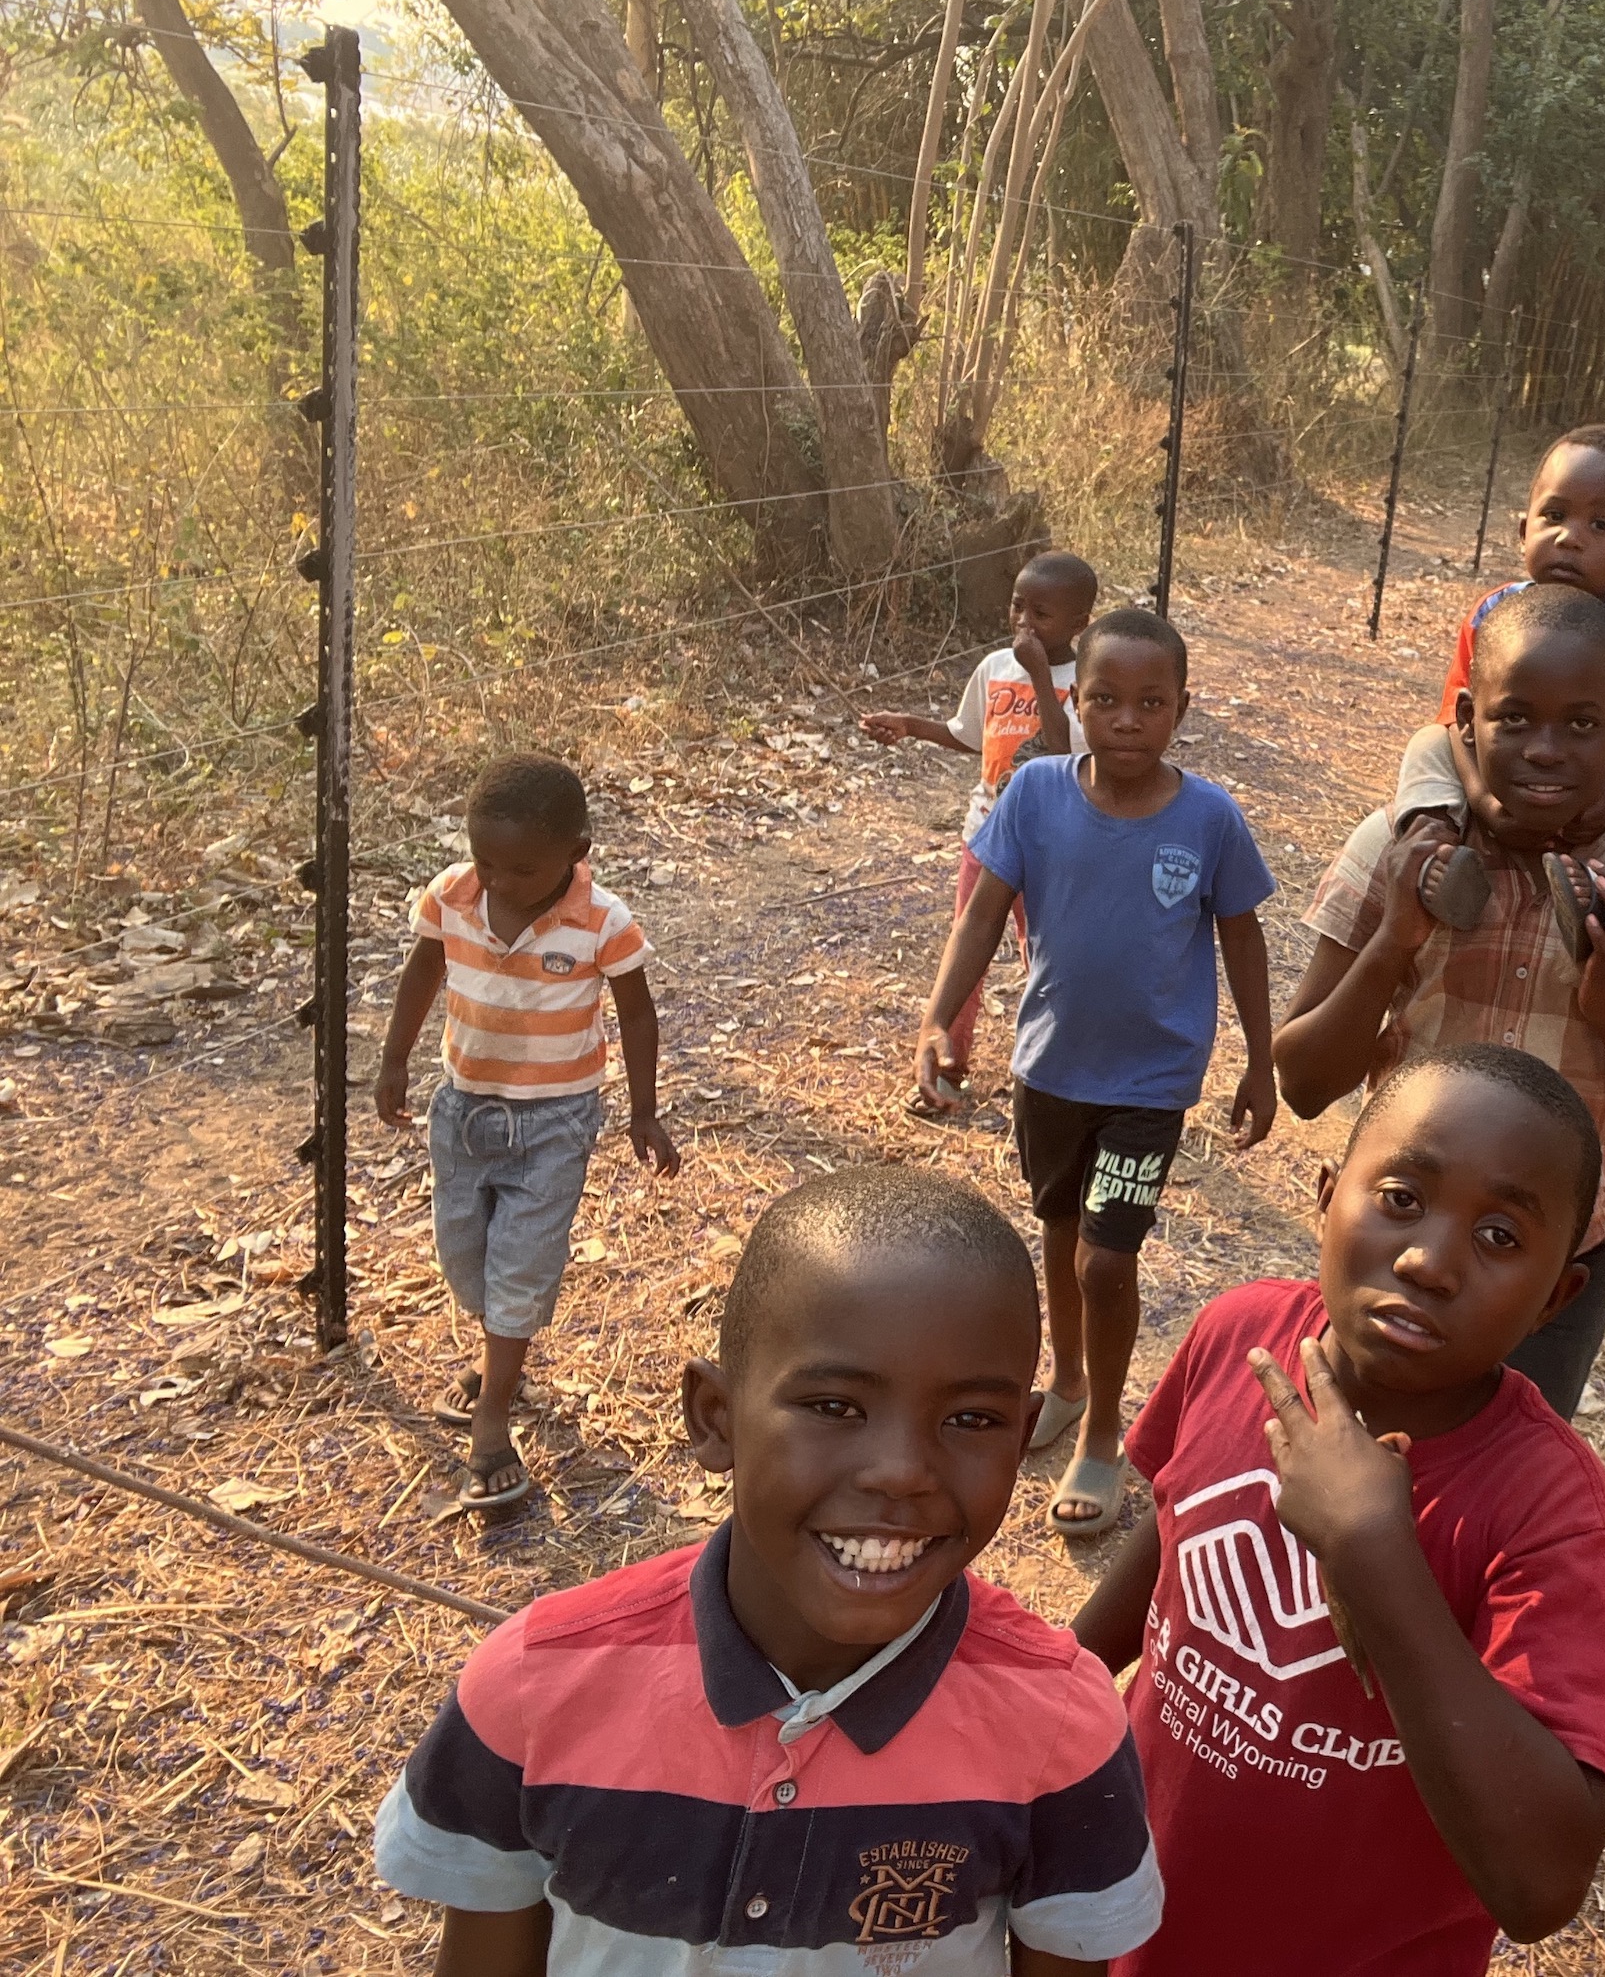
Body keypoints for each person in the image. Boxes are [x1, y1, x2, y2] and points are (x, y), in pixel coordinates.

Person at [372, 1165, 1164, 1974]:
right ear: (716, 1419)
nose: (901, 1471)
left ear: (1024, 1434)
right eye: (834, 1407)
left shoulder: (1060, 1731)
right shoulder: (534, 1688)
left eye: (970, 1419)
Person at [1072, 1043, 1605, 1976]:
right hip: (1122, 1916)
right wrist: (1059, 1687)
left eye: (1502, 1236)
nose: (1430, 1261)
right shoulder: (1238, 1334)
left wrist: (1377, 1558)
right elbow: (1173, 1531)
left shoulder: (1550, 1514)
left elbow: (1539, 1884)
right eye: (1402, 1199)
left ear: (1556, 1300)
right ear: (1328, 1195)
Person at [1277, 582, 1605, 1421]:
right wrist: (1394, 942)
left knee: (1492, 1498)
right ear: (1465, 720)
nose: (1545, 750)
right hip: (1391, 1247)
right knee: (1342, 1461)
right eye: (1515, 717)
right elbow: (1305, 1082)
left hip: (1549, 1282)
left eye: (1582, 724)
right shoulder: (1398, 846)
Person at [915, 606, 1278, 1536]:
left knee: (1108, 1259)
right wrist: (936, 1021)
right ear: (1075, 703)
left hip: (1148, 1085)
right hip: (1050, 1069)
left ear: (1181, 710)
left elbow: (1243, 938)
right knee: (1061, 1227)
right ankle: (1069, 1382)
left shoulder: (1209, 820)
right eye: (1106, 699)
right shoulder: (1033, 795)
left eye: (1150, 703)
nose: (1126, 720)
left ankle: (1106, 1435)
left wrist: (1259, 1059)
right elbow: (982, 917)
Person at [374, 753, 681, 1513]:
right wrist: (392, 1061)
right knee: (465, 1259)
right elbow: (423, 973)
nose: (497, 881)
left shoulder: (602, 921)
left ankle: (493, 1417)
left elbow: (637, 1012)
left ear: (576, 853)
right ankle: (499, 1359)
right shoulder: (453, 894)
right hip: (463, 1111)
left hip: (554, 1121)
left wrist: (643, 1111)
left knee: (522, 1264)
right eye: (485, 860)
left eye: (519, 868)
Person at [1394, 425, 1605, 930]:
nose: (1569, 537)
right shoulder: (1493, 615)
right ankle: (1434, 856)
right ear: (1524, 531)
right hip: (1502, 769)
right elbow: (1461, 717)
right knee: (1427, 744)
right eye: (1554, 516)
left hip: (1597, 773)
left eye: (1601, 525)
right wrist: (1481, 797)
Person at [860, 550, 1103, 1092]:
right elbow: (969, 734)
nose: (1024, 623)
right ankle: (947, 1061)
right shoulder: (994, 667)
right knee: (966, 950)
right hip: (988, 835)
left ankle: (1052, 1064)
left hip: (1053, 843)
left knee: (1044, 953)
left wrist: (1041, 674)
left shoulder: (1089, 679)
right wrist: (910, 726)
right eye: (1018, 607)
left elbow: (1065, 749)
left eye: (1041, 614)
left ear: (1078, 624)